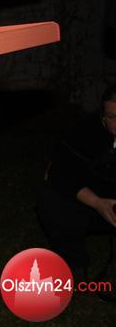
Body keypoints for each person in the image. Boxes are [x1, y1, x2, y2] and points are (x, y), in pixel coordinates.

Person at [37, 83, 116, 279]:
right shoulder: (87, 132)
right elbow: (58, 171)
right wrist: (97, 203)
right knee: (50, 197)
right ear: (102, 116)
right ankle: (74, 264)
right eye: (112, 117)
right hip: (95, 203)